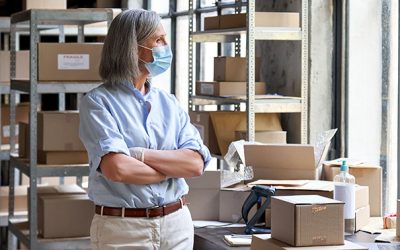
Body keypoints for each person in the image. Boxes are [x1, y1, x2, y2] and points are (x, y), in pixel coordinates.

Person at [79, 9, 211, 250]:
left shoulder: (169, 103)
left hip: (177, 224)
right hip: (124, 230)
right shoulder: (98, 102)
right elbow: (117, 168)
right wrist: (170, 170)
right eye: (158, 40)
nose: (166, 47)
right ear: (133, 48)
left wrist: (139, 155)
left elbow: (194, 164)